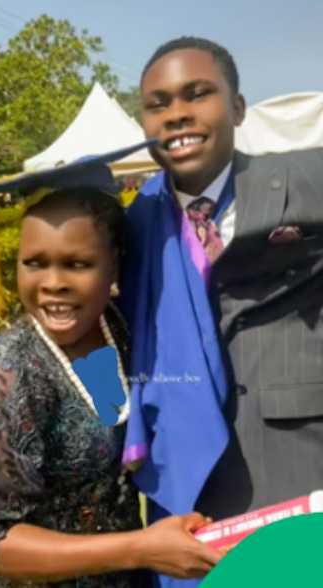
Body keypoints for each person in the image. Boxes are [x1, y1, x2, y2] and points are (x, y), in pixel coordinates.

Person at [0, 143, 222, 587]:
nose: (53, 284)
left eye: (78, 264)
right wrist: (140, 548)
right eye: (34, 264)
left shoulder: (116, 328)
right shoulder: (5, 375)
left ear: (114, 265)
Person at [120, 36, 323, 586]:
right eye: (157, 104)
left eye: (197, 94)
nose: (177, 114)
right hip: (187, 482)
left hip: (300, 460)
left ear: (236, 108)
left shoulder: (308, 183)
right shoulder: (131, 224)